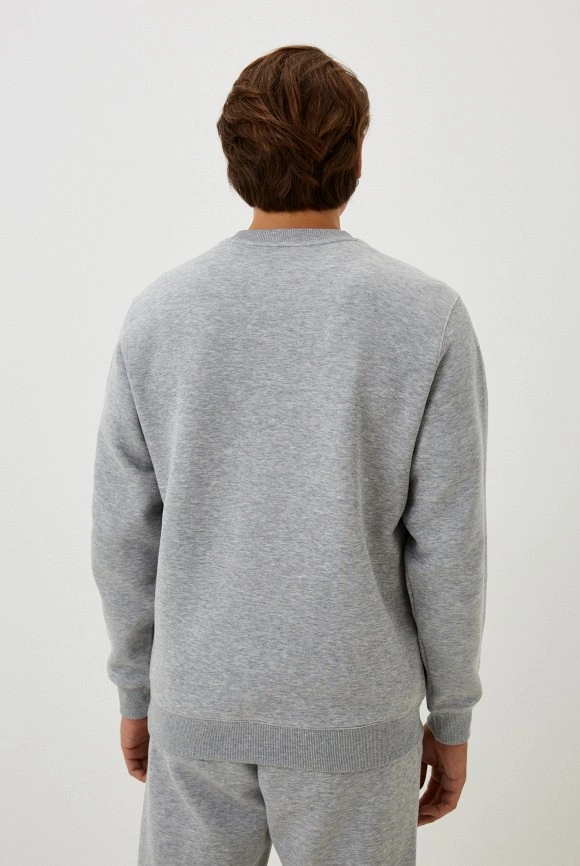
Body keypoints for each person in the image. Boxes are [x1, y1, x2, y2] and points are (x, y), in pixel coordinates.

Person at [91, 44, 488, 866]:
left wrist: (137, 689)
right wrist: (451, 716)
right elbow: (449, 547)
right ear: (357, 156)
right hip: (353, 712)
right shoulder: (425, 316)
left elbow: (123, 532)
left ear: (233, 157)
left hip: (198, 703)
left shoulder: (160, 314)